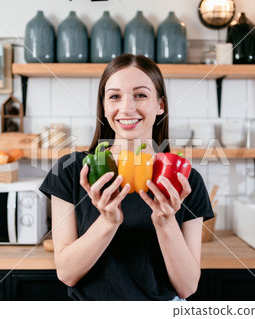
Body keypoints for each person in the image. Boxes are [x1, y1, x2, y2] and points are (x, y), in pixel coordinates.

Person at [39, 54, 214, 301]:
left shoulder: (186, 180)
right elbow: (67, 273)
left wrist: (166, 223)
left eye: (140, 95)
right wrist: (108, 221)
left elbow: (187, 287)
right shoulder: (71, 170)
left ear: (160, 105)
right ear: (104, 107)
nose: (127, 108)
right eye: (114, 96)